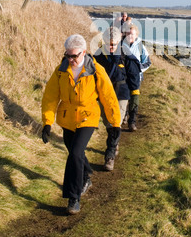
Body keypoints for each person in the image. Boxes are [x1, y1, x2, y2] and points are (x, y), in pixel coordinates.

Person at [41, 34, 121, 215]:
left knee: (75, 153)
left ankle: (73, 197)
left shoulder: (95, 70)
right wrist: (47, 122)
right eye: (67, 55)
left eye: (74, 56)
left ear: (84, 52)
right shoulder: (61, 70)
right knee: (75, 153)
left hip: (88, 117)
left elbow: (108, 97)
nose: (70, 60)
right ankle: (85, 176)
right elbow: (50, 97)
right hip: (67, 118)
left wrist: (115, 124)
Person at [95, 27, 141, 170]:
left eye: (114, 44)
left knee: (116, 123)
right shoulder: (98, 56)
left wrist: (134, 94)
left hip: (121, 93)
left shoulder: (126, 55)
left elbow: (133, 76)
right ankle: (114, 142)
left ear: (119, 42)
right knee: (108, 123)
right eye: (108, 43)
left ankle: (109, 157)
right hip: (104, 94)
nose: (111, 47)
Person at [122, 24, 151, 129]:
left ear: (136, 35)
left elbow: (147, 62)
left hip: (136, 78)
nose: (130, 35)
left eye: (132, 34)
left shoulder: (140, 46)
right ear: (125, 34)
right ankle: (124, 116)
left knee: (134, 97)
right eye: (128, 33)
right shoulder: (120, 45)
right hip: (123, 77)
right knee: (124, 96)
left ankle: (132, 121)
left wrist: (138, 69)